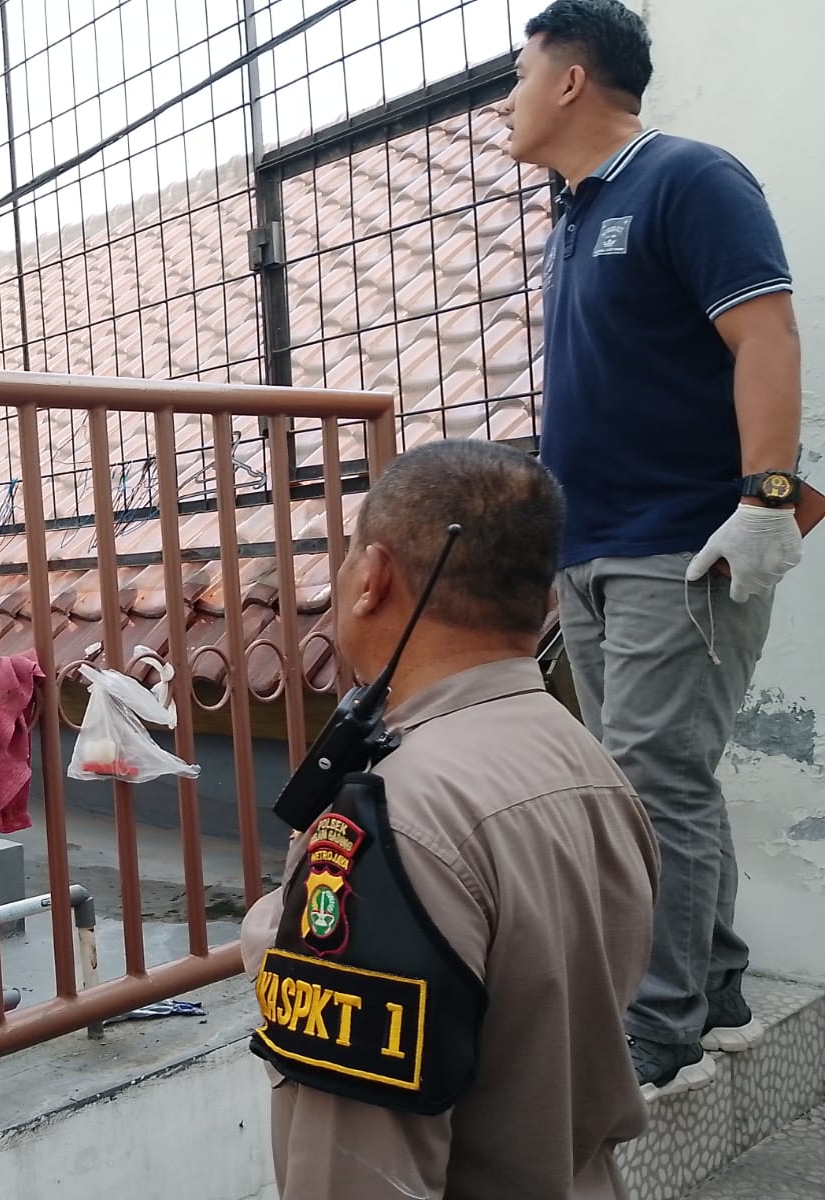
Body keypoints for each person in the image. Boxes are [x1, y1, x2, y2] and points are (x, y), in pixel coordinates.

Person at [500, 0, 804, 1095]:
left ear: (572, 80)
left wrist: (768, 501)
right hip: (592, 550)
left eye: (519, 73)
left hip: (679, 547)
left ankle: (655, 1029)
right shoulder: (574, 213)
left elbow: (763, 332)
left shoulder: (687, 179)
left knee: (645, 786)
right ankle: (714, 984)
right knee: (663, 779)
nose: (508, 96)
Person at [241, 439, 659, 1199]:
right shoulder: (594, 769)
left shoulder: (389, 824)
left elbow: (357, 1176)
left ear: (373, 578)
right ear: (549, 599)